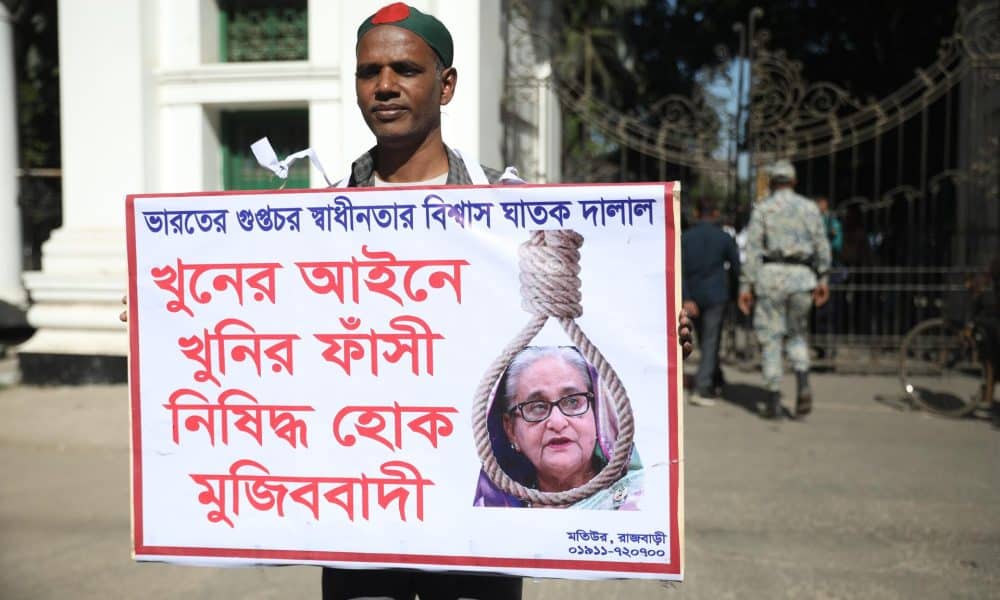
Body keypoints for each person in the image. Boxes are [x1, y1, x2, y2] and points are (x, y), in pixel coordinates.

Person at [120, 3, 695, 595]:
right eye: (370, 73)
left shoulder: (511, 211)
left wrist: (658, 327)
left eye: (405, 70)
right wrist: (160, 310)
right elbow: (264, 324)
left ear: (445, 85)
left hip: (474, 540)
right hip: (364, 519)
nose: (386, 86)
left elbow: (580, 309)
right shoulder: (313, 220)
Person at [474, 346, 646, 509]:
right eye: (537, 407)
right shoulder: (493, 509)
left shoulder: (641, 498)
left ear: (598, 415)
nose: (557, 422)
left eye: (573, 401)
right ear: (511, 430)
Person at [738, 160, 831, 419]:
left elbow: (753, 250)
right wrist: (823, 279)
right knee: (797, 334)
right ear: (794, 181)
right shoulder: (810, 208)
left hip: (770, 279)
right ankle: (802, 384)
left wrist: (746, 285)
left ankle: (773, 400)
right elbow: (822, 246)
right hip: (802, 278)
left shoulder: (764, 209)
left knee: (771, 338)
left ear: (772, 182)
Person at [682, 196, 741, 406]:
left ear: (697, 213)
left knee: (707, 340)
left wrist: (686, 297)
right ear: (715, 214)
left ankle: (715, 377)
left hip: (693, 298)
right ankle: (702, 387)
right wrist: (735, 295)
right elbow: (736, 268)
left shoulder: (685, 238)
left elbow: (677, 269)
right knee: (710, 341)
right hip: (717, 297)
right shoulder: (724, 238)